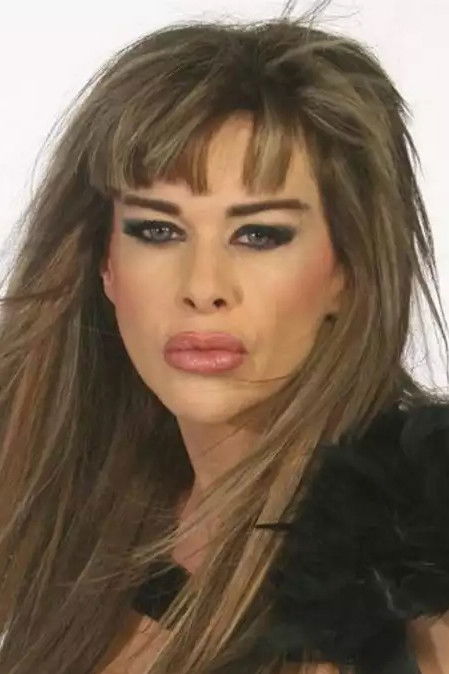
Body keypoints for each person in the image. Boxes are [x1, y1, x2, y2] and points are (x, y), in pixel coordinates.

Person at [0, 0, 448, 672]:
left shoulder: (421, 559)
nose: (203, 286)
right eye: (158, 230)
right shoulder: (73, 507)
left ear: (346, 273)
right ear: (105, 264)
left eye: (258, 234)